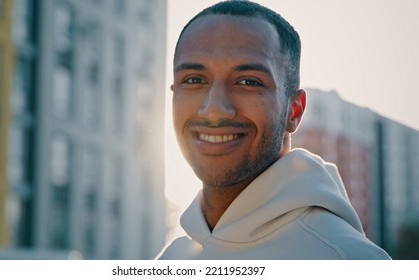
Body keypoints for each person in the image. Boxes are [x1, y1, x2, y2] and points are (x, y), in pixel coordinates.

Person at [158, 0, 390, 259]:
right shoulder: (173, 257)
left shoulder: (350, 260)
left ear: (295, 111)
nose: (214, 109)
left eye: (248, 82)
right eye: (193, 80)